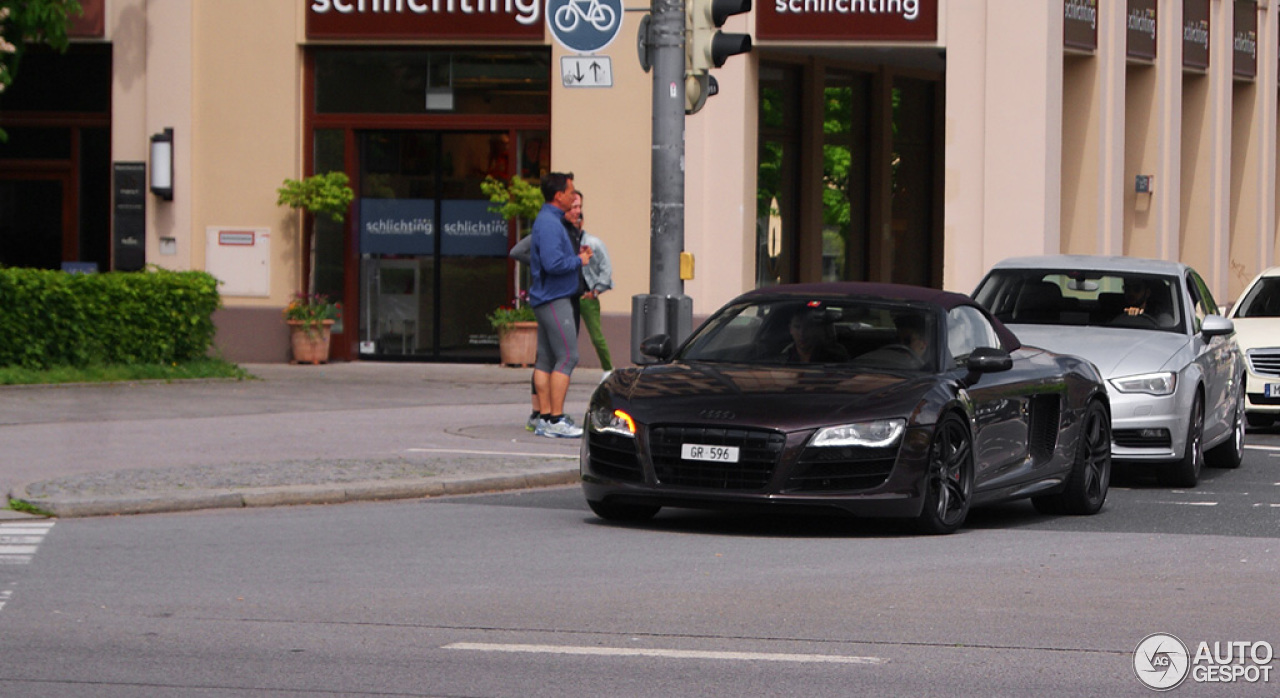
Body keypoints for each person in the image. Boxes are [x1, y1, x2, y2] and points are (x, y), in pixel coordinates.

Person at [528, 171, 591, 438]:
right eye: (570, 191)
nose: (573, 195)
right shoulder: (552, 224)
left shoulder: (547, 220)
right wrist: (579, 261)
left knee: (546, 358)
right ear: (558, 195)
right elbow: (553, 264)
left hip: (545, 297)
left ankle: (544, 417)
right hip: (555, 297)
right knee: (568, 357)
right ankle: (555, 419)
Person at [569, 190, 614, 378]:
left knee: (596, 336)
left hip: (587, 296)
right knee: (568, 336)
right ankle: (564, 370)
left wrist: (596, 291)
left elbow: (606, 268)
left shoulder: (593, 243)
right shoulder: (565, 241)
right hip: (569, 294)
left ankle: (608, 369)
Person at [780, 306, 848, 363]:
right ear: (790, 330)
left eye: (807, 327)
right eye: (797, 327)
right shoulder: (782, 360)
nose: (802, 333)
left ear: (815, 329)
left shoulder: (835, 358)